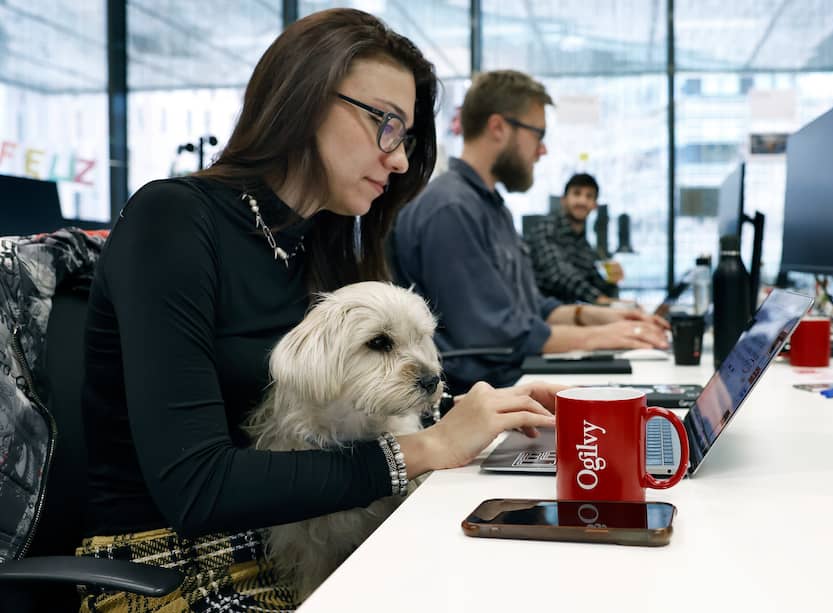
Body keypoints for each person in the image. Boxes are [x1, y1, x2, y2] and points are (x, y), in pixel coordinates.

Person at [77, 10, 559, 612]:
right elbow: (195, 486)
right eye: (386, 123)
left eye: (406, 136)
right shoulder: (173, 220)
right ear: (301, 98)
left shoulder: (322, 245)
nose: (401, 159)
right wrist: (428, 447)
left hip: (305, 538)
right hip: (171, 566)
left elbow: (350, 408)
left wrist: (483, 413)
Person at [393, 70, 669, 395]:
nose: (542, 151)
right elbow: (495, 333)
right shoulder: (451, 210)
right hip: (483, 393)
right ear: (498, 127)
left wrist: (605, 318)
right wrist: (599, 338)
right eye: (538, 134)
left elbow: (530, 309)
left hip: (515, 379)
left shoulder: (494, 209)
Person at [526, 172, 624, 305]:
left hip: (568, 315)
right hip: (538, 315)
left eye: (589, 196)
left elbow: (594, 283)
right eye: (577, 193)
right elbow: (558, 274)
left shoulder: (584, 246)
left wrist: (612, 282)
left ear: (594, 205)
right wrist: (598, 299)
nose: (582, 201)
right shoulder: (547, 228)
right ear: (564, 200)